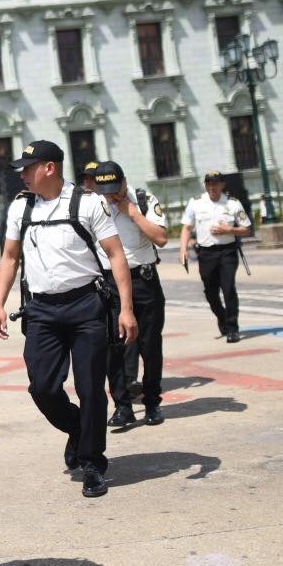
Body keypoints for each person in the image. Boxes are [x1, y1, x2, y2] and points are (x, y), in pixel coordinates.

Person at [0, 139, 137, 502]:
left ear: (50, 168)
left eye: (28, 168)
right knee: (42, 387)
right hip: (41, 310)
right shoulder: (20, 209)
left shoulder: (87, 203)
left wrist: (127, 308)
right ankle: (76, 427)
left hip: (86, 306)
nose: (22, 175)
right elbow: (10, 258)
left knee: (90, 388)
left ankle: (92, 463)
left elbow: (116, 255)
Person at [90, 163, 168, 428]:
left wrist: (132, 213)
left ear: (124, 182)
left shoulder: (144, 199)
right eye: (106, 191)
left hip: (143, 282)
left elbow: (161, 238)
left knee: (150, 346)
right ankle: (122, 406)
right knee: (113, 348)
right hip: (109, 284)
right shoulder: (94, 205)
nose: (112, 196)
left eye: (116, 189)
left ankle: (152, 403)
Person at [179, 172, 252, 343]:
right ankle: (223, 317)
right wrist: (183, 249)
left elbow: (246, 229)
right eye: (208, 184)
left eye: (215, 183)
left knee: (228, 289)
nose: (212, 187)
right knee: (210, 292)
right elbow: (187, 228)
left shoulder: (232, 204)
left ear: (222, 185)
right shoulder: (196, 203)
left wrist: (229, 230)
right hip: (206, 254)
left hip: (227, 252)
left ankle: (233, 328)